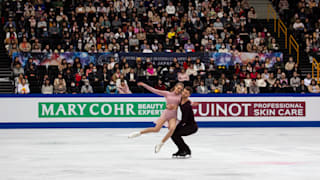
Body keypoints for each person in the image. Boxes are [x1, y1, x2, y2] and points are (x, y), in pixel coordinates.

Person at [128, 82, 184, 153]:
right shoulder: (167, 93)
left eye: (180, 89)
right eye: (178, 88)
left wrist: (191, 103)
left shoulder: (181, 96)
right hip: (166, 114)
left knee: (172, 128)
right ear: (175, 87)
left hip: (173, 116)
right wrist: (144, 85)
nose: (179, 90)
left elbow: (186, 101)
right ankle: (138, 133)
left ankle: (160, 144)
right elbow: (154, 90)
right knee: (156, 129)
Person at [171, 87, 198, 158]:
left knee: (175, 135)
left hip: (191, 126)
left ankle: (186, 150)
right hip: (186, 124)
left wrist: (177, 126)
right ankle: (181, 150)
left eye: (186, 93)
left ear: (189, 95)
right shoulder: (180, 100)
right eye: (183, 92)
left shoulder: (187, 106)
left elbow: (184, 120)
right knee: (173, 134)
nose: (183, 94)